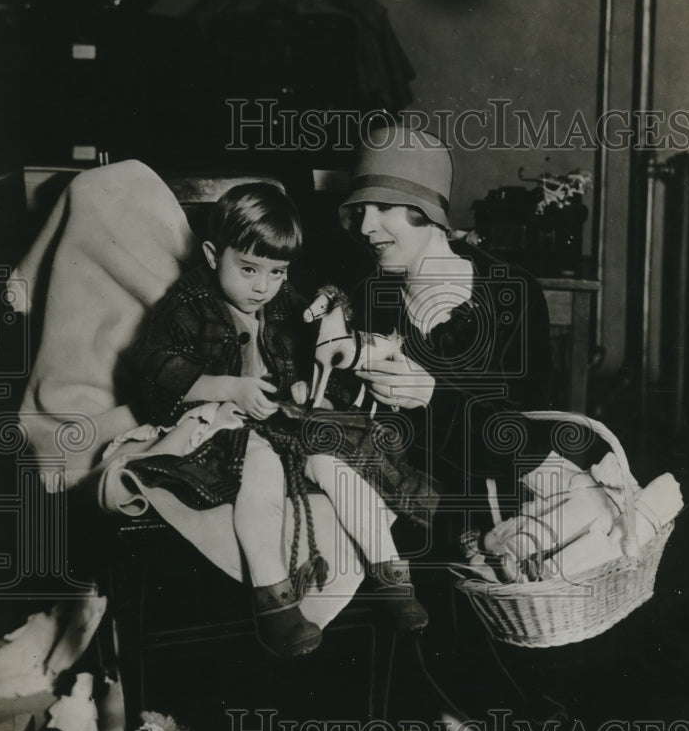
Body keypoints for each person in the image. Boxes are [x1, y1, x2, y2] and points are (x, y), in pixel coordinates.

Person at [128, 182, 429, 661]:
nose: (262, 286)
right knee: (260, 474)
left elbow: (313, 335)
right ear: (211, 254)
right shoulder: (187, 307)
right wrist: (228, 388)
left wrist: (317, 361)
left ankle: (391, 575)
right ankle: (274, 600)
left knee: (341, 466)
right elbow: (153, 367)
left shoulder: (282, 298)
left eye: (276, 272)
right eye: (248, 270)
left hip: (282, 420)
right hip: (225, 422)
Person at [334, 124, 554, 560]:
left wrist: (431, 395)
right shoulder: (368, 297)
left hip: (495, 525)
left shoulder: (511, 295)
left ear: (429, 209)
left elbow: (528, 441)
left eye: (383, 207)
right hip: (397, 518)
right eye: (359, 211)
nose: (365, 226)